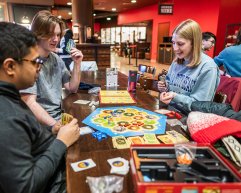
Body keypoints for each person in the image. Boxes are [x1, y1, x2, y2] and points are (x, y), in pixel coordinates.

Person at [0, 22, 80, 193]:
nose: (39, 67)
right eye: (35, 62)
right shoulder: (6, 116)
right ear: (10, 66)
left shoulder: (10, 96)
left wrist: (53, 130)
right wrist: (61, 142)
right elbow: (25, 187)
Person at [21, 10, 83, 127]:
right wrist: (56, 126)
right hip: (39, 125)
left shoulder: (55, 58)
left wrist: (77, 63)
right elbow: (29, 102)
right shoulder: (27, 61)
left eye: (58, 34)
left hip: (58, 117)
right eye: (50, 34)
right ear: (38, 33)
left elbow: (72, 88)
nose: (56, 39)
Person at [157, 19, 220, 113]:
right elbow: (170, 85)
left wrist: (175, 96)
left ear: (194, 43)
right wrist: (165, 88)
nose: (175, 48)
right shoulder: (176, 62)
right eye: (173, 43)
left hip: (189, 119)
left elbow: (201, 106)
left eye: (180, 44)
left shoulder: (208, 67)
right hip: (169, 112)